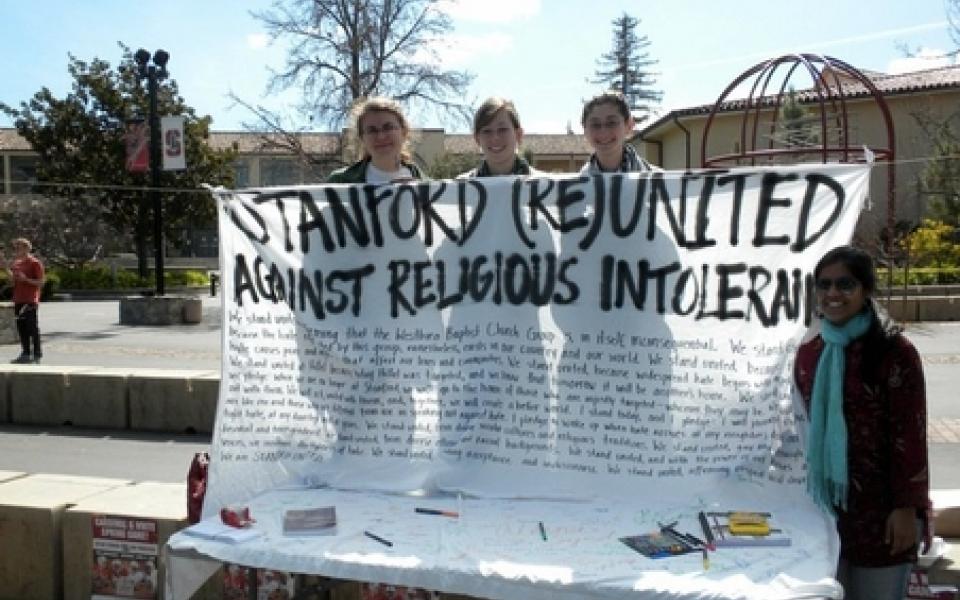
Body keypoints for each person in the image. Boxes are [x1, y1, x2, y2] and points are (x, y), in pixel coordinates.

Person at [794, 245, 930, 600]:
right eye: (824, 285)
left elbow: (909, 434)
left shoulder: (894, 351)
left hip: (883, 514)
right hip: (826, 515)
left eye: (845, 284)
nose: (833, 294)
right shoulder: (810, 353)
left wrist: (906, 508)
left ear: (866, 290)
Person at [327, 97, 425, 184]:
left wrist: (419, 195)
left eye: (388, 127)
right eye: (371, 130)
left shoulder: (429, 187)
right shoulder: (339, 182)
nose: (381, 136)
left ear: (404, 132)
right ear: (362, 138)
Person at [579, 91, 660, 174]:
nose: (604, 132)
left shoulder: (661, 181)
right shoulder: (575, 185)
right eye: (595, 125)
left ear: (629, 126)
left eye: (612, 123)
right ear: (585, 130)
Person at [458, 97, 540, 178]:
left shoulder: (546, 186)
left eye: (502, 129)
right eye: (487, 131)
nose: (495, 138)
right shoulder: (460, 187)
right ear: (477, 139)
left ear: (518, 135)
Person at [1, 238, 45, 363]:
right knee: (21, 327)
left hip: (30, 299)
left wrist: (26, 279)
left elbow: (41, 283)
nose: (16, 250)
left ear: (26, 248)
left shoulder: (34, 263)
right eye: (15, 248)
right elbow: (13, 281)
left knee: (32, 327)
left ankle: (37, 353)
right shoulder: (16, 263)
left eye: (19, 247)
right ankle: (25, 353)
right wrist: (5, 269)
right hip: (18, 299)